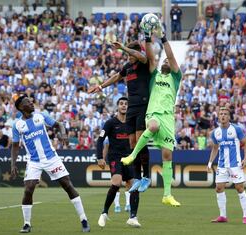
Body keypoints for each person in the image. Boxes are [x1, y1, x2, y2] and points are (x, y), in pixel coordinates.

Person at [121, 23, 181, 207]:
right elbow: (151, 56)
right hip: (153, 113)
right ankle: (133, 156)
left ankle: (167, 195)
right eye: (162, 61)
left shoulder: (175, 77)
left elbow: (170, 56)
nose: (164, 62)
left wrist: (163, 38)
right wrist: (148, 36)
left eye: (167, 62)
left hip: (168, 118)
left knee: (167, 156)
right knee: (152, 126)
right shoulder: (154, 76)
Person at [10, 95, 90, 233]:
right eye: (28, 102)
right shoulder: (17, 125)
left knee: (67, 185)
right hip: (34, 161)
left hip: (51, 158)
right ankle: (27, 224)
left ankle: (84, 220)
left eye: (31, 100)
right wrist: (13, 164)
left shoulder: (41, 116)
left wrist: (64, 134)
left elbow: (59, 124)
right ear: (21, 107)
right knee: (28, 189)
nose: (31, 102)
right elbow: (15, 146)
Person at [88, 41, 151, 193]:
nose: (128, 57)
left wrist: (123, 48)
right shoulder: (127, 67)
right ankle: (137, 177)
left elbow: (140, 56)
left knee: (140, 141)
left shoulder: (144, 63)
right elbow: (117, 76)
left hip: (143, 104)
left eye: (130, 54)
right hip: (132, 107)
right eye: (127, 55)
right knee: (132, 144)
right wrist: (101, 86)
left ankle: (146, 176)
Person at [96, 97, 141, 227]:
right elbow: (100, 140)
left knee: (134, 186)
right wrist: (100, 157)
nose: (124, 106)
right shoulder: (110, 123)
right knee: (116, 183)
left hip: (129, 158)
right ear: (117, 106)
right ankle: (104, 213)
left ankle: (133, 217)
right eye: (121, 103)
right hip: (115, 158)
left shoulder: (132, 123)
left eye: (126, 104)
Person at [207, 107, 246, 224]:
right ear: (218, 116)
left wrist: (245, 159)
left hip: (235, 164)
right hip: (222, 165)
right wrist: (210, 163)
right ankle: (223, 216)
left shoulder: (236, 129)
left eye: (225, 114)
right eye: (221, 114)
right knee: (219, 188)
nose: (223, 116)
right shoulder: (215, 133)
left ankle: (245, 216)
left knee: (239, 188)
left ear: (229, 116)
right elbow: (215, 148)